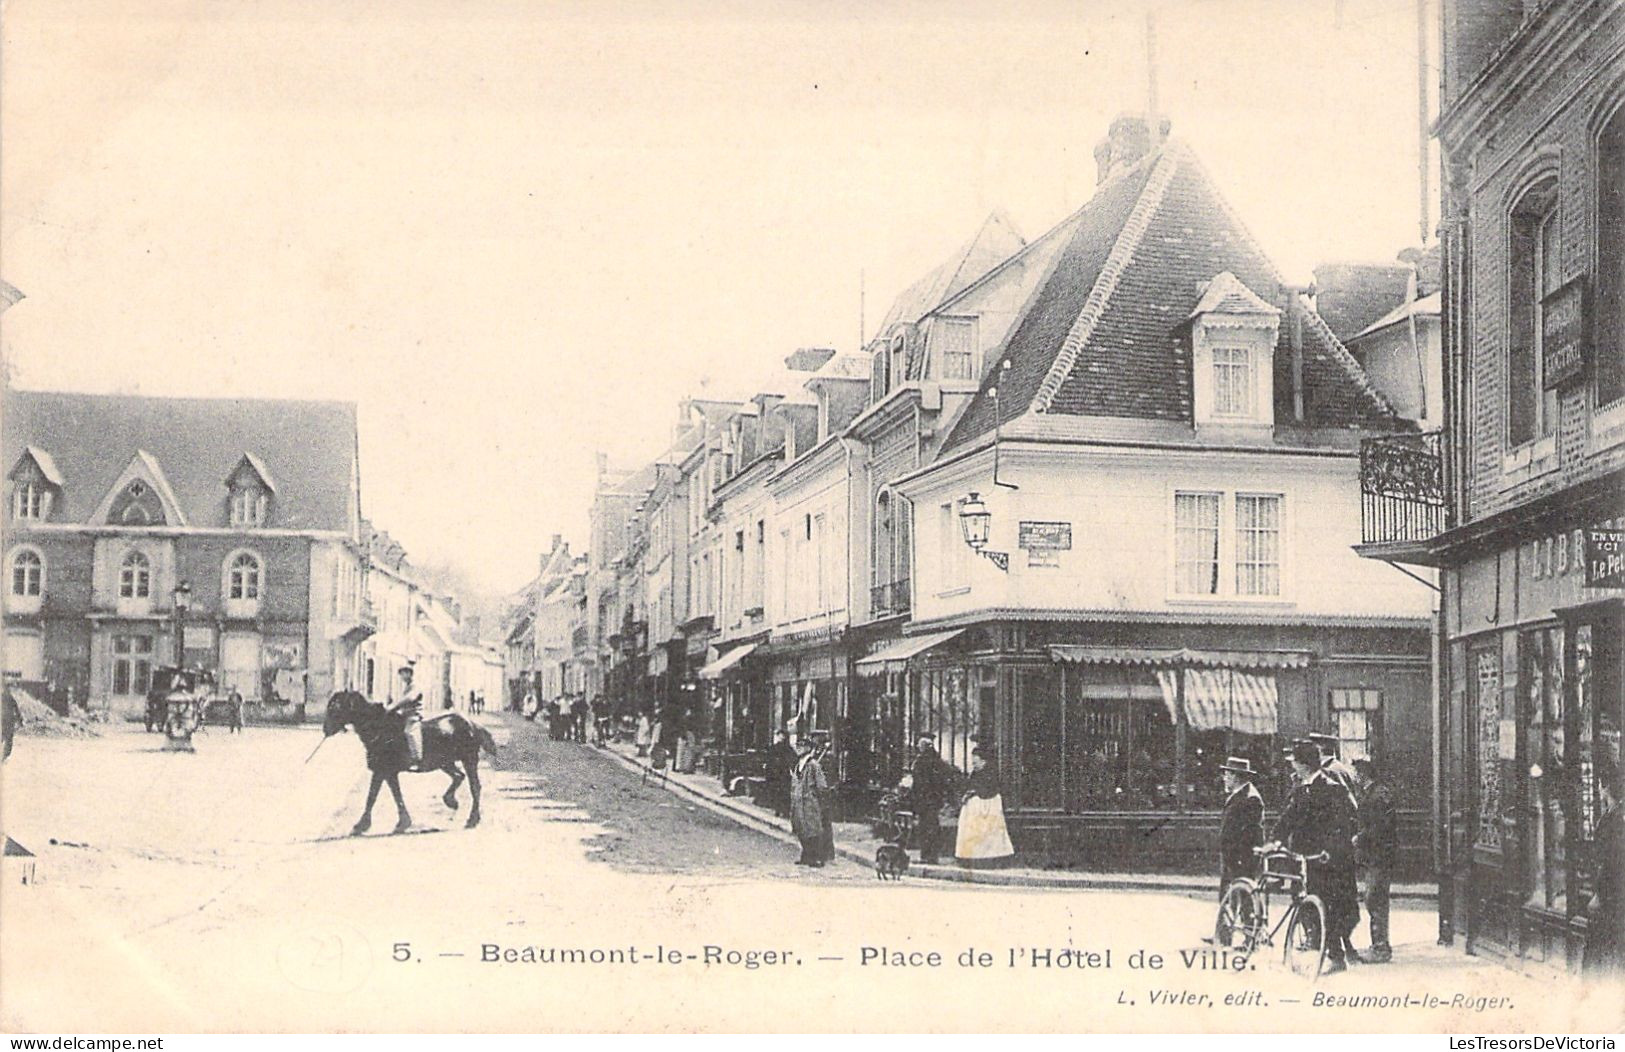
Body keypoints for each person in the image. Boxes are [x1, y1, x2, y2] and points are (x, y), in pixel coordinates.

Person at [1269, 740, 1359, 974]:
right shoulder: (1301, 789)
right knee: (1313, 903)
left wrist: (1331, 850)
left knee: (1331, 907)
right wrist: (1276, 840)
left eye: (1295, 762)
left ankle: (1337, 957)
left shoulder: (1332, 788)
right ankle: (1323, 949)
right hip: (1308, 858)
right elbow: (1288, 818)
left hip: (1331, 861)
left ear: (1304, 764)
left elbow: (1344, 824)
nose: (1293, 767)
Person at [1352, 758, 1396, 964]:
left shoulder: (1378, 795)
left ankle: (1381, 948)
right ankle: (1378, 945)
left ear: (1364, 774)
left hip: (1379, 855)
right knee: (1374, 898)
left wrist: (1359, 838)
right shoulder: (1375, 793)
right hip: (1375, 855)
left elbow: (1378, 828)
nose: (1355, 777)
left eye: (1357, 772)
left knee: (1374, 898)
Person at [1582, 755, 1622, 978]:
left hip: (1609, 897)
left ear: (1605, 788)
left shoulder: (1611, 820)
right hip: (1614, 895)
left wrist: (1598, 894)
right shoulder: (1615, 816)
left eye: (1599, 786)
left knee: (1598, 949)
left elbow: (1608, 862)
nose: (1598, 791)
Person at [955, 747, 1014, 868]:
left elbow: (989, 790)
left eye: (975, 762)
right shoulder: (976, 773)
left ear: (984, 761)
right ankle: (972, 857)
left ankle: (988, 859)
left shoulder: (990, 774)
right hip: (976, 809)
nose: (973, 765)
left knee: (989, 834)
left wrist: (973, 793)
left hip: (987, 808)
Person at [1218, 756, 1264, 902]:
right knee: (1230, 901)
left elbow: (1251, 833)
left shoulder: (1250, 798)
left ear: (1235, 776)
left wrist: (1237, 859)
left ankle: (1249, 924)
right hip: (1232, 858)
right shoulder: (1239, 795)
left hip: (1240, 860)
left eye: (1227, 775)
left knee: (1242, 901)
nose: (1224, 778)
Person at [790, 733, 834, 867]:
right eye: (798, 746)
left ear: (808, 748)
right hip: (798, 802)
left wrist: (820, 801)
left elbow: (822, 785)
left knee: (813, 830)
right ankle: (806, 855)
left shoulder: (813, 765)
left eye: (802, 746)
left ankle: (817, 858)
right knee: (801, 829)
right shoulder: (799, 764)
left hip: (810, 802)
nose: (799, 748)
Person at [909, 734, 950, 865]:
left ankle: (928, 856)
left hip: (925, 800)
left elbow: (921, 782)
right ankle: (930, 856)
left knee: (927, 828)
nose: (917, 747)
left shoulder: (924, 760)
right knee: (930, 827)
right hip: (932, 800)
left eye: (920, 745)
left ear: (925, 746)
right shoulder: (936, 760)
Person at [384, 664, 424, 765]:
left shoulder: (415, 685)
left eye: (404, 673)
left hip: (413, 715)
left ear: (410, 674)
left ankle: (416, 758)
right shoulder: (407, 686)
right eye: (401, 674)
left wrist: (394, 706)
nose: (402, 676)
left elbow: (410, 698)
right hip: (405, 714)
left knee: (409, 732)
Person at [765, 728, 797, 818]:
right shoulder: (773, 748)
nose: (782, 737)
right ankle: (777, 810)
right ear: (777, 736)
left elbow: (793, 760)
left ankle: (784, 811)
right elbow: (768, 761)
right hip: (775, 773)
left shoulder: (788, 749)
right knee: (776, 791)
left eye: (784, 736)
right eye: (780, 736)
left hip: (784, 773)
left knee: (784, 792)